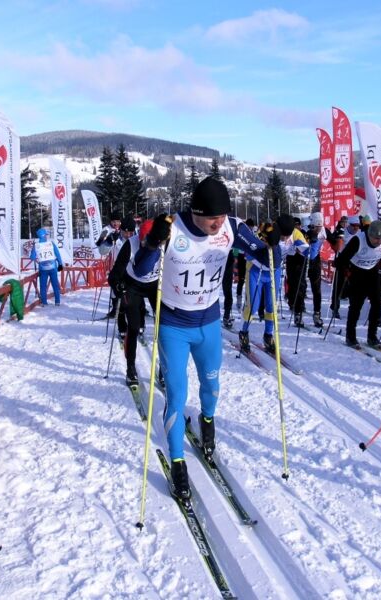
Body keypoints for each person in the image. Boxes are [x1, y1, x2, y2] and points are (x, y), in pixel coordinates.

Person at [130, 177, 279, 501]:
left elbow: (269, 261)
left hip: (209, 323)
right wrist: (151, 245)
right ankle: (178, 461)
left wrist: (273, 243)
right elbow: (140, 273)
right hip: (174, 325)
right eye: (213, 217)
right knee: (177, 393)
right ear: (196, 212)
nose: (218, 223)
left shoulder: (232, 227)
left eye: (223, 216)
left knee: (211, 385)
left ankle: (207, 419)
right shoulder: (171, 229)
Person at [334, 219, 381, 349]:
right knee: (356, 305)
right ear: (369, 235)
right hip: (357, 272)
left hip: (372, 271)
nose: (378, 242)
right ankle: (351, 336)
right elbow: (340, 261)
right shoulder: (358, 240)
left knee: (377, 303)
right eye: (376, 239)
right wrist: (346, 269)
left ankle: (372, 336)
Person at [108, 218, 157, 387]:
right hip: (133, 285)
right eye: (142, 241)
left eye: (148, 242)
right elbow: (114, 274)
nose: (144, 245)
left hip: (154, 285)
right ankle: (130, 368)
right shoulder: (131, 244)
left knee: (166, 326)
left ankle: (165, 368)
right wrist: (117, 284)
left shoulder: (165, 242)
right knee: (134, 327)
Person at [240, 214, 296, 351]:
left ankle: (268, 335)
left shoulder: (294, 235)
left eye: (287, 237)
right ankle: (244, 332)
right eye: (283, 236)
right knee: (253, 306)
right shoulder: (265, 230)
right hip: (256, 270)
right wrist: (263, 251)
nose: (285, 239)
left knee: (272, 306)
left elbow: (301, 250)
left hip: (273, 272)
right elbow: (247, 251)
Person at [284, 216, 311, 328]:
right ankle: (292, 303)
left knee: (300, 285)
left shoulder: (302, 233)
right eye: (294, 225)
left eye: (298, 225)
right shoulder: (289, 232)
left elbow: (307, 247)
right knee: (292, 284)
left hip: (301, 261)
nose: (296, 227)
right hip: (291, 261)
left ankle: (299, 311)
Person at [30, 227, 64, 306]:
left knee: (43, 285)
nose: (46, 236)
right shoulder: (51, 244)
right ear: (44, 235)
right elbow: (57, 254)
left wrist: (36, 259)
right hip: (53, 267)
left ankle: (44, 302)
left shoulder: (36, 245)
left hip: (43, 268)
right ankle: (57, 301)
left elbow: (32, 257)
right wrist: (60, 264)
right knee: (55, 284)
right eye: (46, 235)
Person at [305, 212, 327, 328]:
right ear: (312, 225)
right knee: (301, 287)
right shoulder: (306, 231)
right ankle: (298, 312)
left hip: (315, 261)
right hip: (303, 261)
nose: (319, 229)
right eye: (317, 227)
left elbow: (334, 241)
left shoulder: (324, 230)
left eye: (320, 227)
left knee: (317, 289)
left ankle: (317, 314)